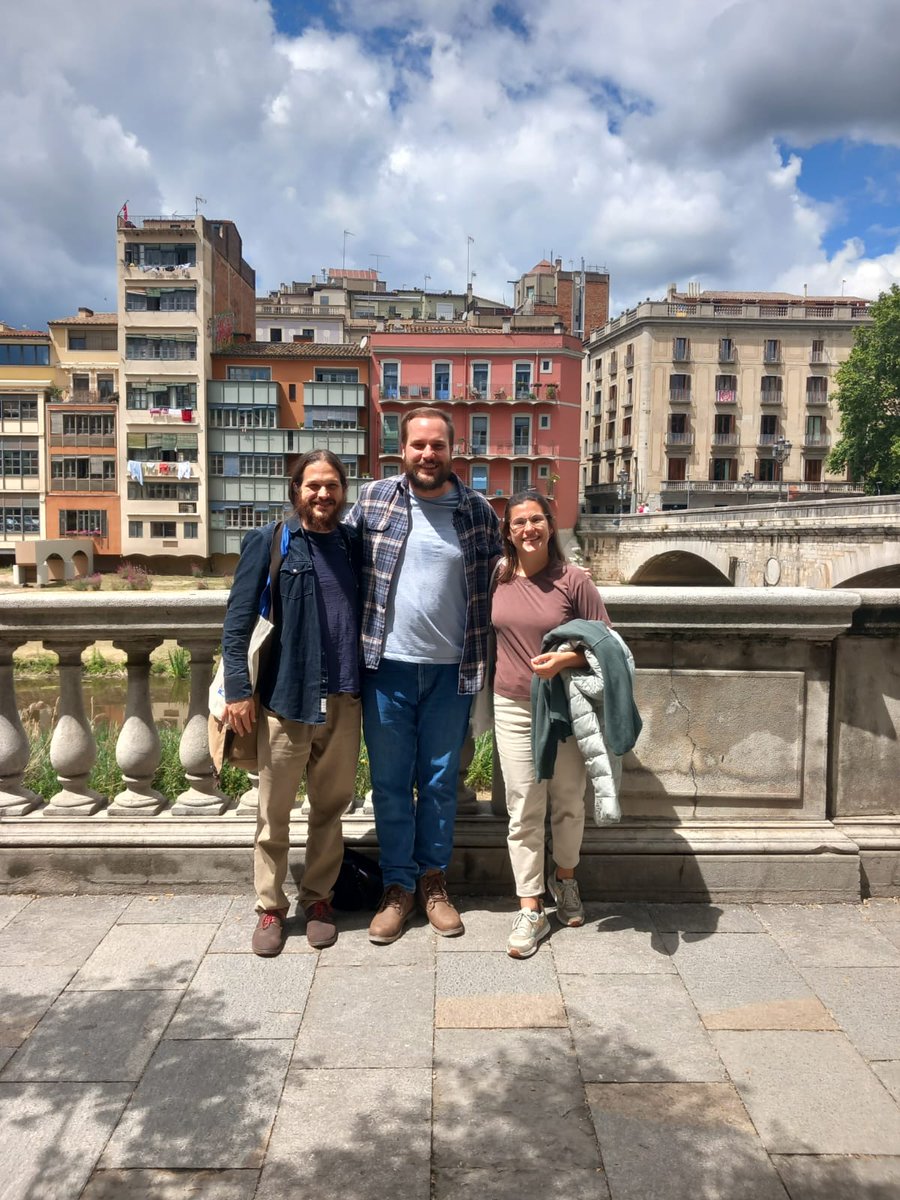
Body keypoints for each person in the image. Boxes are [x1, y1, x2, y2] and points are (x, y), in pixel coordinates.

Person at [347, 408, 501, 944]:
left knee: (438, 784)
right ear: (403, 449)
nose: (427, 454)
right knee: (389, 785)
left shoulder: (478, 513)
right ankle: (398, 888)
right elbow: (333, 554)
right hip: (385, 667)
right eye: (418, 445)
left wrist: (568, 582)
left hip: (452, 672)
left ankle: (433, 882)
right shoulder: (373, 500)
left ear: (452, 450)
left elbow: (509, 575)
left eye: (437, 445)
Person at [221, 450, 361, 955]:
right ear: (296, 490)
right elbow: (237, 622)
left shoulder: (352, 543)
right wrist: (238, 689)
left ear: (344, 492)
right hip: (286, 699)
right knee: (272, 814)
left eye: (332, 486)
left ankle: (318, 899)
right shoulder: (270, 541)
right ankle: (269, 908)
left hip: (345, 699)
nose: (323, 494)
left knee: (330, 808)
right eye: (313, 485)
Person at [490, 490, 610, 958]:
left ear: (549, 524)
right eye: (518, 523)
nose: (528, 529)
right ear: (508, 532)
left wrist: (566, 659)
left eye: (536, 520)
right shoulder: (496, 577)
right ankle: (530, 905)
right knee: (523, 807)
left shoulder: (574, 580)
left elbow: (606, 642)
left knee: (567, 802)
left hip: (565, 707)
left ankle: (566, 880)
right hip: (514, 706)